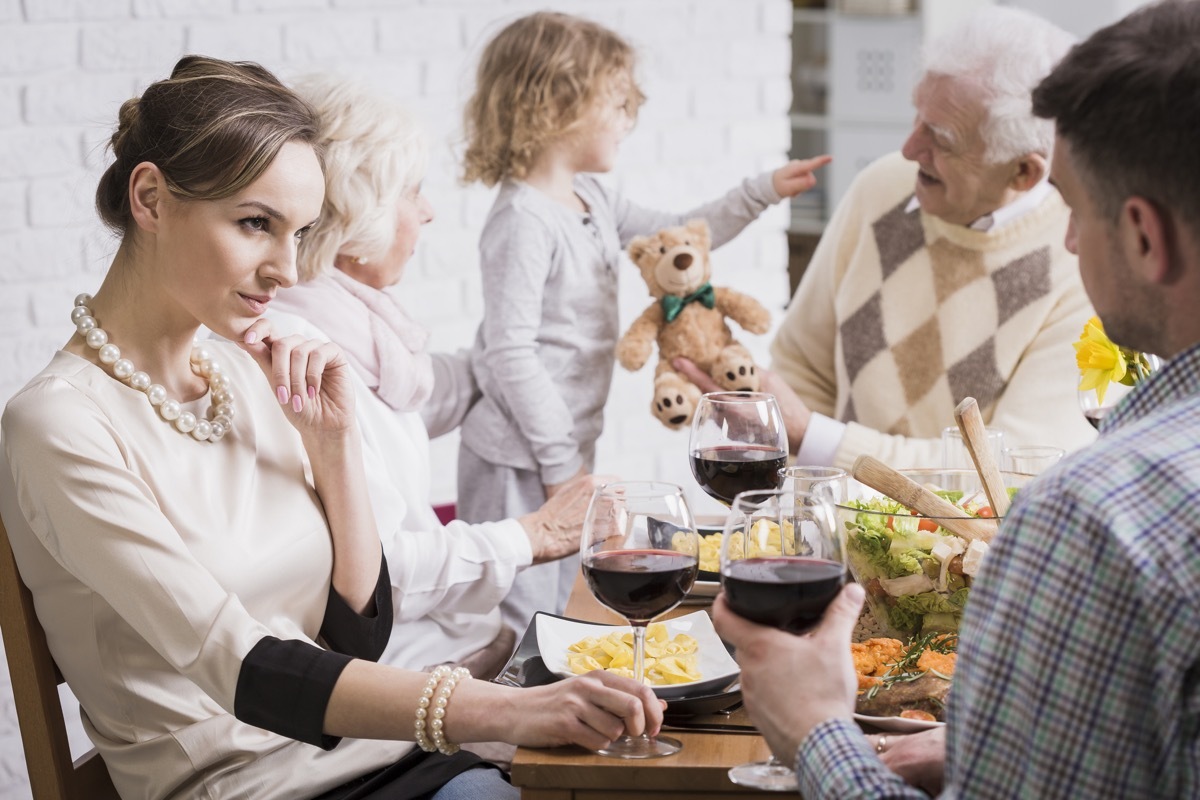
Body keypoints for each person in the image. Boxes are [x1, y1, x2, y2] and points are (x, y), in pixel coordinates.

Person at [0, 56, 663, 800]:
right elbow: (243, 665)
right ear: (150, 197)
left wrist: (335, 441)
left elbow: (357, 636)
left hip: (385, 759)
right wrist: (514, 709)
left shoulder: (246, 371)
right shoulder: (58, 424)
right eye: (256, 224)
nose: (287, 267)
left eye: (302, 231)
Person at [713, 1, 1200, 796]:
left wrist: (815, 733)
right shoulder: (878, 194)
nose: (1071, 239)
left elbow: (1006, 482)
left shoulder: (1093, 519)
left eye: (1077, 210)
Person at [456, 10, 831, 631]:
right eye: (618, 103)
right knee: (517, 609)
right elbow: (509, 353)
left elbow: (682, 236)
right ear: (558, 104)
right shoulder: (523, 221)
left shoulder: (593, 199)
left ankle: (547, 708)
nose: (630, 118)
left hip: (563, 445)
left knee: (557, 595)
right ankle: (498, 723)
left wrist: (760, 191)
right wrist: (561, 466)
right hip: (514, 457)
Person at [267, 74, 600, 687]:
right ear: (357, 210)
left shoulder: (357, 333)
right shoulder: (299, 359)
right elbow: (379, 568)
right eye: (411, 192)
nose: (428, 211)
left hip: (452, 646)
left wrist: (530, 338)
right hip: (399, 683)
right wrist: (534, 534)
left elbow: (449, 385)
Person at [680, 6, 1096, 471]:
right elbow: (803, 364)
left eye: (940, 137)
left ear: (1022, 171)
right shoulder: (883, 186)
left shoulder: (1083, 265)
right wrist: (809, 500)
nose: (909, 148)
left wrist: (814, 435)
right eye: (917, 116)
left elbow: (1014, 467)